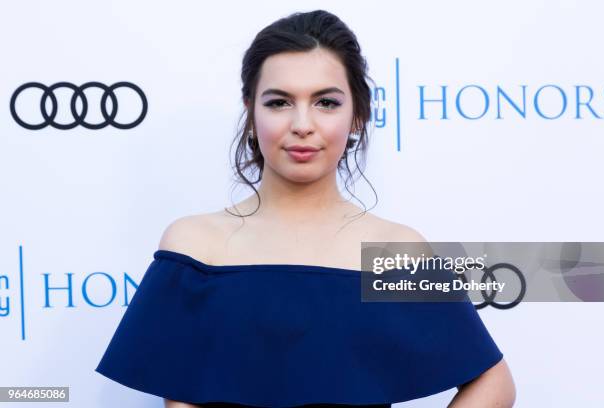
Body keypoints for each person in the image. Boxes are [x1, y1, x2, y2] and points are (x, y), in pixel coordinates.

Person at [96, 9, 516, 408]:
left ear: (357, 116)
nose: (302, 124)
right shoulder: (197, 244)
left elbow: (492, 381)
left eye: (326, 102)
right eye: (279, 102)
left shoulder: (392, 248)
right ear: (250, 111)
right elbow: (179, 391)